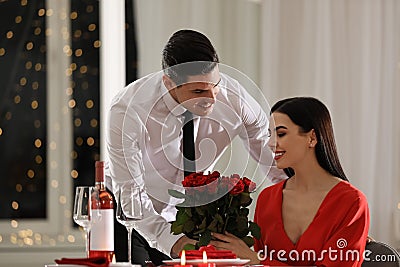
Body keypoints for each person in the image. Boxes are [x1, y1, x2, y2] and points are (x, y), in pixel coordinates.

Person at [106, 29, 286, 266]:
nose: (212, 98)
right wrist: (169, 241)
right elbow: (130, 193)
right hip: (127, 216)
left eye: (216, 85)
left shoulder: (235, 99)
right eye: (199, 91)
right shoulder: (127, 110)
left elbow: (271, 155)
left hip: (187, 215)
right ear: (169, 82)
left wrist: (297, 195)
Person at [211, 97, 370, 267]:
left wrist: (259, 260)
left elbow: (257, 261)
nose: (271, 144)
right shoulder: (267, 199)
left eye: (281, 134)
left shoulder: (351, 202)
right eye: (269, 135)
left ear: (312, 137)